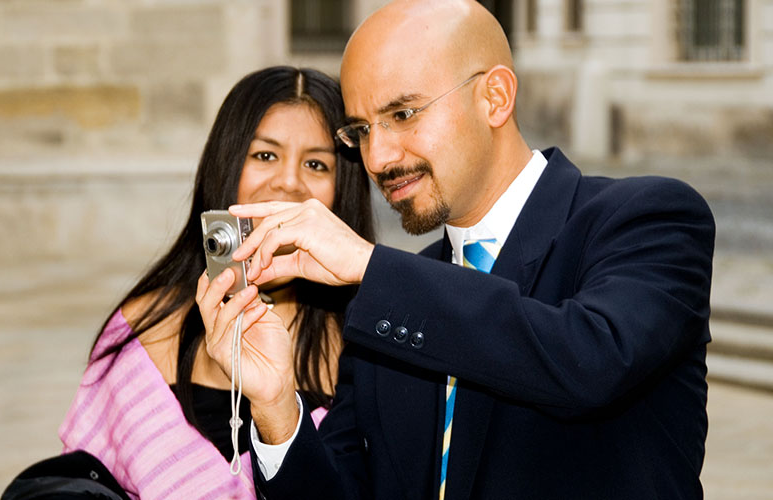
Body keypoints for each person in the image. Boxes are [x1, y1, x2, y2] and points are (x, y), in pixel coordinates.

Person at [197, 1, 716, 499]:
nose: (378, 157)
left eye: (402, 114)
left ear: (494, 97)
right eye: (360, 130)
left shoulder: (648, 217)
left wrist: (368, 267)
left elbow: (589, 360)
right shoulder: (385, 303)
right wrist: (276, 407)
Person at [58, 65, 375, 500]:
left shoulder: (368, 346)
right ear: (226, 164)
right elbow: (83, 479)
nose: (288, 181)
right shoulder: (144, 329)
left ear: (343, 191)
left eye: (316, 164)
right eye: (265, 156)